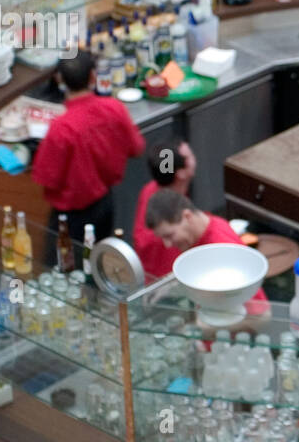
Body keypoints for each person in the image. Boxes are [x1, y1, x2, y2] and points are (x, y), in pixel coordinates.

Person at [31, 51, 144, 263]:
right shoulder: (114, 108)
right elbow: (136, 147)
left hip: (71, 218)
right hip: (105, 205)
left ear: (59, 80)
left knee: (62, 270)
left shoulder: (61, 128)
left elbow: (47, 178)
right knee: (96, 264)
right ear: (93, 77)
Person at [144, 189, 269, 312]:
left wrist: (201, 327)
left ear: (187, 216)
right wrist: (168, 283)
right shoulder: (202, 229)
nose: (167, 245)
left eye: (169, 235)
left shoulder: (220, 248)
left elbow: (262, 313)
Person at [133, 139, 198, 279]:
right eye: (189, 156)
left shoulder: (150, 189)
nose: (193, 157)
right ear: (181, 174)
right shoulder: (172, 226)